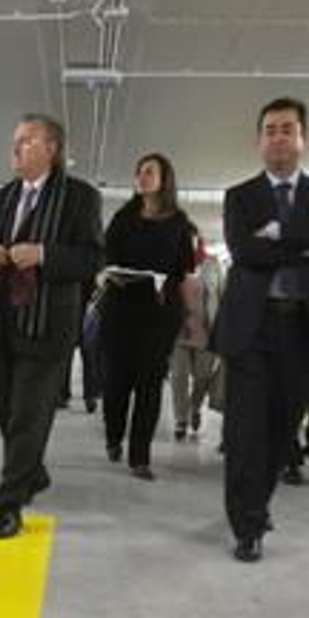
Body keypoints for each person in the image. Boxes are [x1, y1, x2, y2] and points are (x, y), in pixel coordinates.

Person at [210, 96, 309, 561]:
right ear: (259, 141)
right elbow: (246, 253)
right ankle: (246, 524)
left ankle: (258, 500)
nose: (278, 137)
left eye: (287, 129)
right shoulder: (240, 196)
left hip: (305, 328)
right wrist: (307, 237)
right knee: (245, 432)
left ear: (303, 139)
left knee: (281, 430)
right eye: (270, 129)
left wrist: (276, 233)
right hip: (252, 326)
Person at [0, 113, 104, 539]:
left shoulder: (79, 197)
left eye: (26, 141)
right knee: (10, 413)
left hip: (47, 323)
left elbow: (91, 259)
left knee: (29, 415)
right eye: (15, 141)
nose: (15, 148)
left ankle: (8, 504)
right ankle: (34, 472)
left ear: (52, 148)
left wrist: (45, 255)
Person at [98, 152, 197, 480]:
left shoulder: (180, 222)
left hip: (159, 312)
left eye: (149, 171)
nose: (142, 176)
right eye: (139, 171)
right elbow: (107, 254)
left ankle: (140, 456)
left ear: (164, 179)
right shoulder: (123, 217)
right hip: (120, 308)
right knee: (116, 383)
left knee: (150, 385)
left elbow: (183, 268)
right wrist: (110, 274)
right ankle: (113, 435)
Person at [169, 236, 222, 440]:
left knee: (203, 377)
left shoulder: (213, 264)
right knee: (179, 376)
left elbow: (222, 294)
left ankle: (194, 408)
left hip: (205, 332)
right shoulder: (173, 263)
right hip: (179, 332)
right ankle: (180, 420)